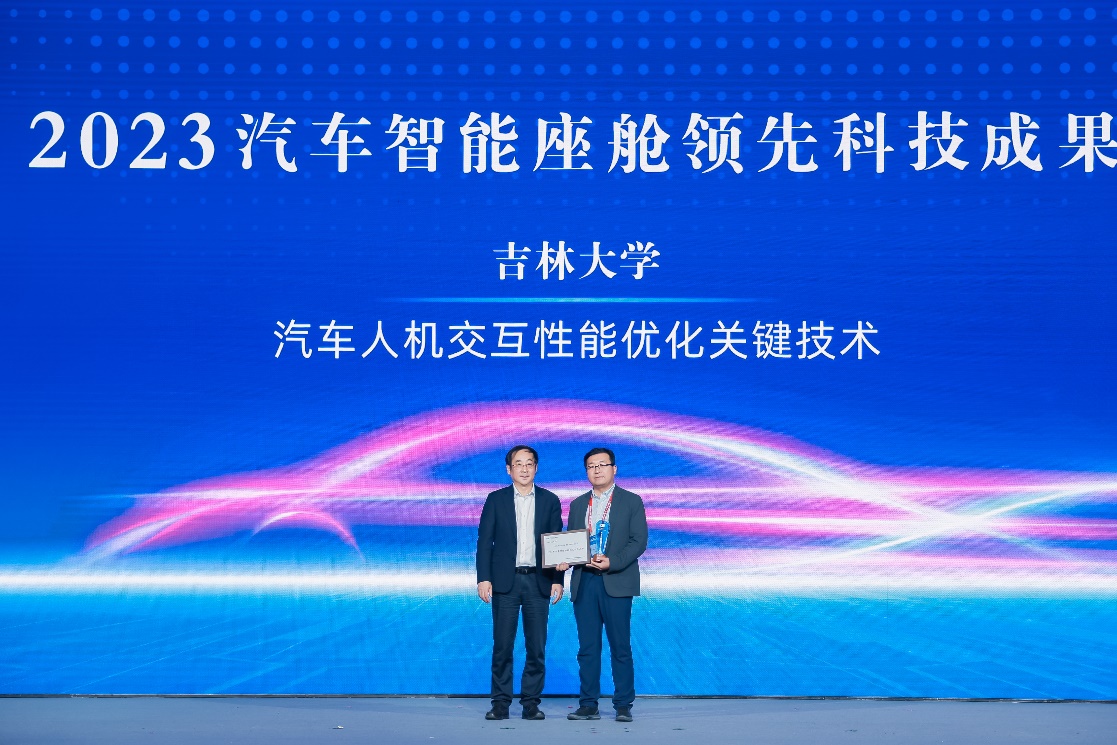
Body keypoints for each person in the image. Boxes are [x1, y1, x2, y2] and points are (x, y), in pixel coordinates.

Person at [557, 447, 648, 723]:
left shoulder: (631, 501)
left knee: (620, 646)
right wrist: (565, 560)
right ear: (586, 471)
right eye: (591, 466)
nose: (597, 470)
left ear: (614, 469)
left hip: (616, 581)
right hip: (585, 581)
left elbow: (638, 541)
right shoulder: (577, 504)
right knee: (587, 648)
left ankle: (623, 704)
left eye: (602, 465)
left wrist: (613, 562)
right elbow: (572, 542)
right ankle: (588, 704)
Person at [476, 445, 565, 721]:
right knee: (502, 646)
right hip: (505, 582)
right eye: (518, 464)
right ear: (509, 469)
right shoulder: (495, 499)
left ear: (536, 468)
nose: (524, 469)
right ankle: (500, 703)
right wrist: (484, 578)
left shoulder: (550, 500)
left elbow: (558, 544)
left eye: (529, 464)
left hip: (539, 581)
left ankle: (531, 703)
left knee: (536, 647)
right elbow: (485, 542)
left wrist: (558, 579)